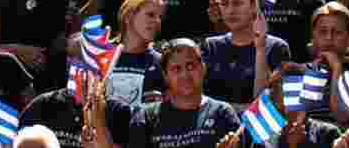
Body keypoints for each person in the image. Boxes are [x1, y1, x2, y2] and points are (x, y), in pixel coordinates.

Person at [85, 38, 239, 148]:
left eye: (191, 66)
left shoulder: (222, 113)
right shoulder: (147, 116)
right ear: (165, 76)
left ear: (203, 68)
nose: (185, 75)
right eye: (176, 69)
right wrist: (98, 112)